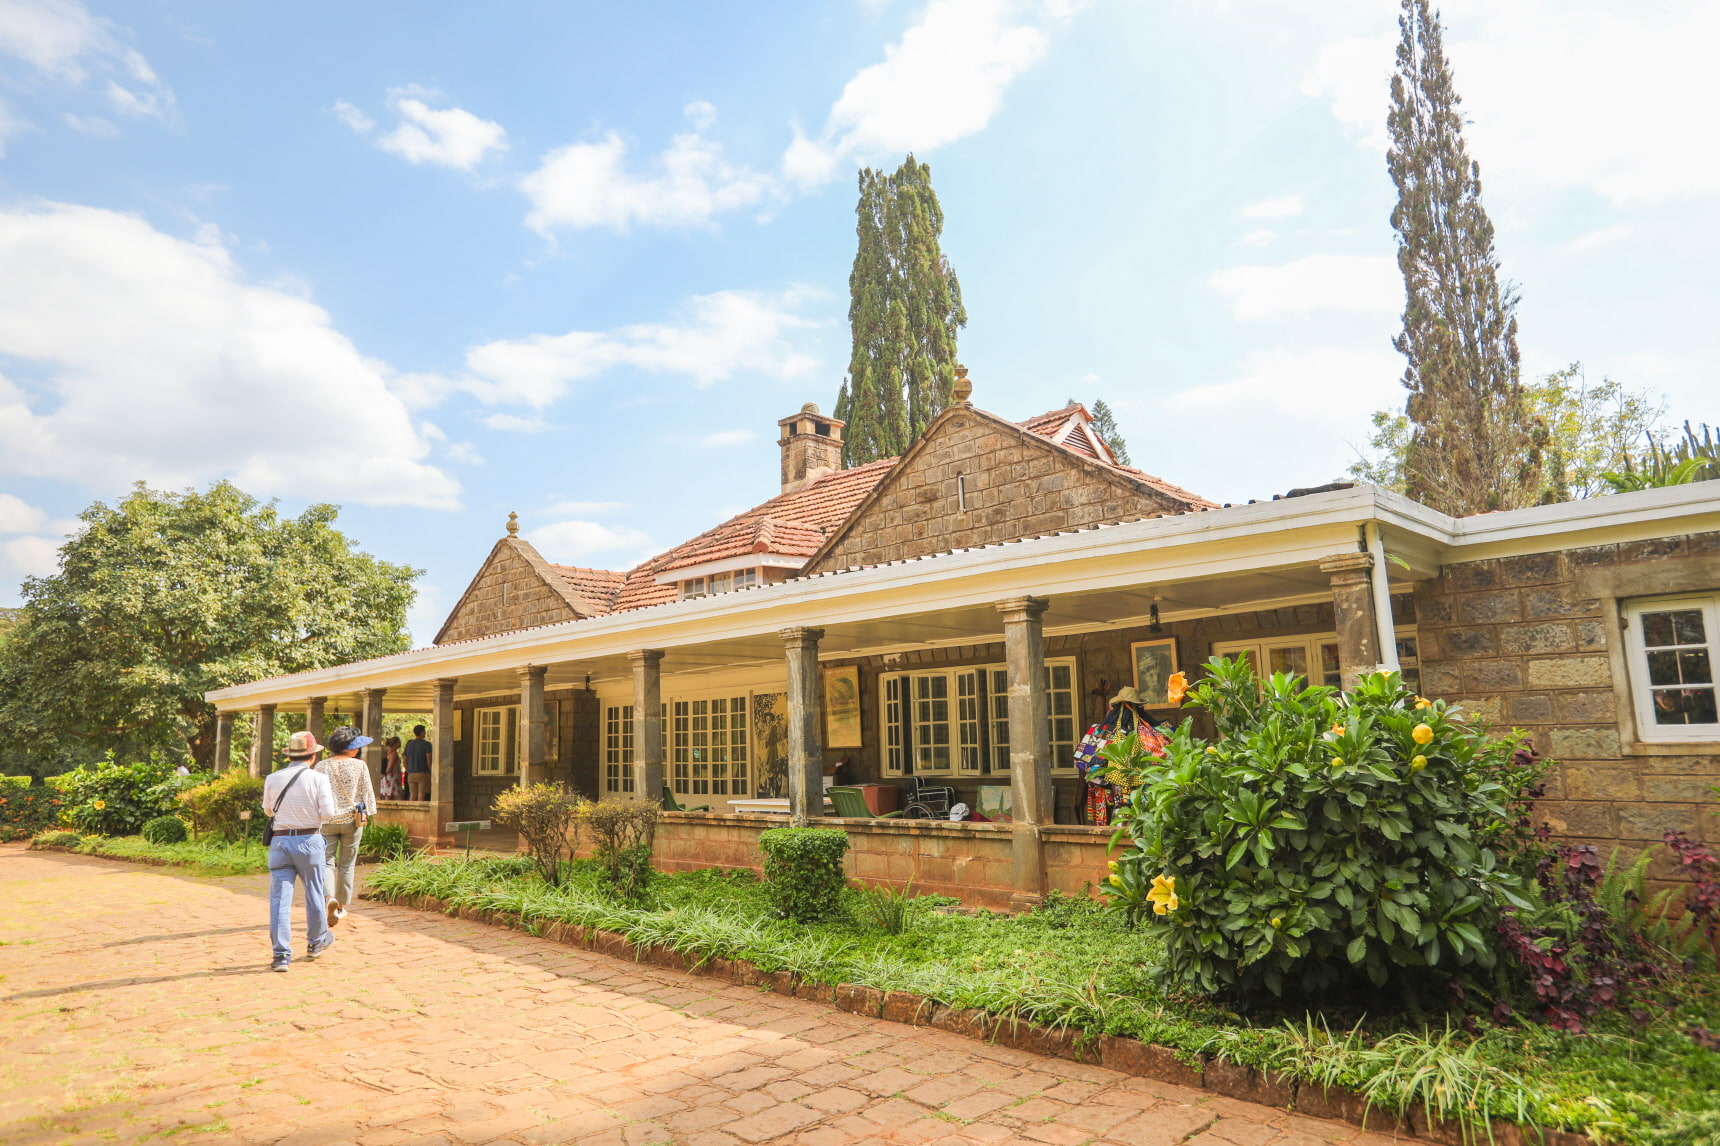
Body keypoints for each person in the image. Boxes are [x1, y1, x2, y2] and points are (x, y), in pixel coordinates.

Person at [262, 730, 342, 972]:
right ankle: (316, 942)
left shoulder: (273, 778)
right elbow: (328, 813)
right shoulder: (318, 779)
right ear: (313, 756)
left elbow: (268, 811)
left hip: (280, 842)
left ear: (289, 755)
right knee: (314, 893)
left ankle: (281, 955)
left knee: (279, 900)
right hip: (309, 840)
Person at [314, 726, 376, 929]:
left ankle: (328, 898)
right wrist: (369, 813)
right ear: (349, 748)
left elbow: (315, 793)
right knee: (347, 864)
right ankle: (340, 906)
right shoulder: (359, 766)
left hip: (327, 821)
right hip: (352, 820)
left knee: (326, 863)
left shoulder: (321, 766)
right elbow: (367, 793)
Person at [403, 725, 432, 801]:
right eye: (424, 731)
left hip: (411, 774)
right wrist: (431, 770)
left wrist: (408, 770)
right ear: (422, 732)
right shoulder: (427, 745)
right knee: (421, 794)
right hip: (423, 773)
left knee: (412, 794)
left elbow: (405, 759)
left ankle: (411, 808)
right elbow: (429, 759)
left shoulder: (409, 745)